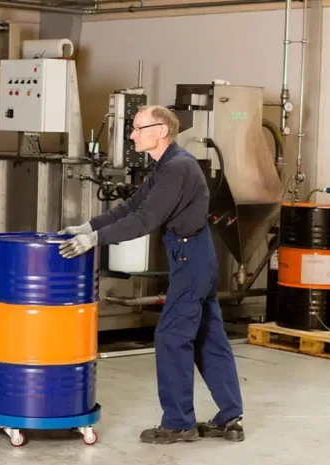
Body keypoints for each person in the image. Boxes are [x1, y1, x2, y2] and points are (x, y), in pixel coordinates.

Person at [58, 105, 245, 444]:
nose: (132, 135)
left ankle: (178, 423)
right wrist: (88, 227)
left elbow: (145, 220)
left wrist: (95, 240)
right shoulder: (166, 166)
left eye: (137, 128)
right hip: (194, 256)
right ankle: (230, 417)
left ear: (161, 131)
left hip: (191, 259)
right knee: (208, 335)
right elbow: (133, 207)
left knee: (172, 336)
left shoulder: (178, 168)